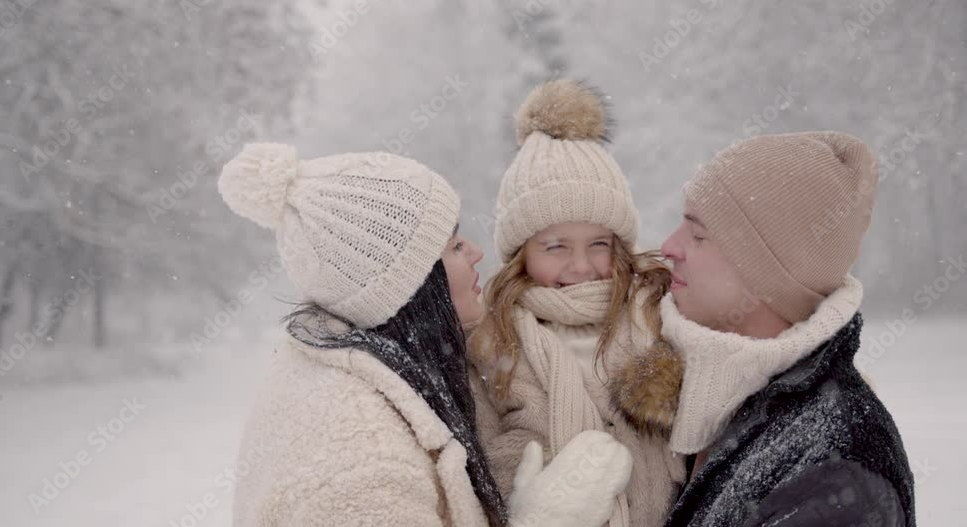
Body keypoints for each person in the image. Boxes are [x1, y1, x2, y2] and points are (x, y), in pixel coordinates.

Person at [219, 143, 634, 527]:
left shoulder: (347, 377)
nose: (475, 251)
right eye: (453, 246)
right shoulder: (363, 464)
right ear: (411, 284)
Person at [618, 131, 915, 526]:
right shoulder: (699, 408)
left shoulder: (835, 467)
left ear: (766, 273)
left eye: (698, 233)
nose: (669, 246)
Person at [469, 79, 686, 527]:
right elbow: (488, 445)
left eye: (599, 244)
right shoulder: (496, 338)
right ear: (521, 252)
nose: (582, 266)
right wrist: (542, 481)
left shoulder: (655, 312)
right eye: (556, 247)